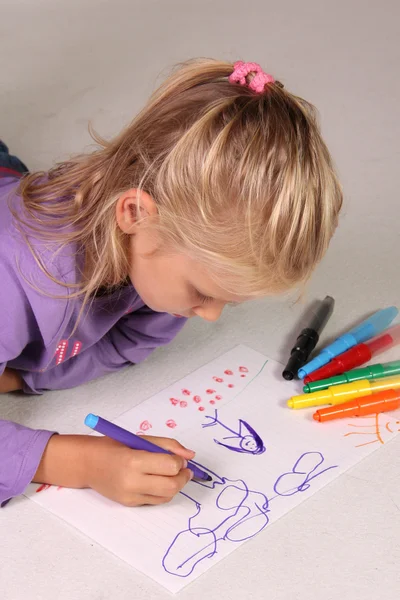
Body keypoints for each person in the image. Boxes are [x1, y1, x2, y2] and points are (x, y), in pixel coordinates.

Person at [0, 59, 343, 508]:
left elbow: (125, 345)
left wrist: (23, 374)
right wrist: (79, 462)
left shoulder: (156, 255)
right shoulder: (16, 278)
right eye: (204, 292)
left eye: (228, 302)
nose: (210, 314)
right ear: (136, 214)